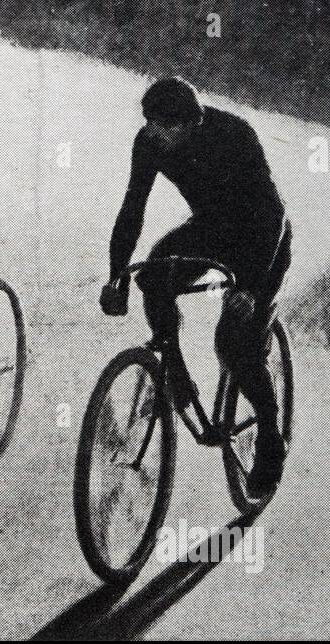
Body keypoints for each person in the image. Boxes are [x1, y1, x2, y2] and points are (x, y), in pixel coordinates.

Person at [101, 76, 293, 496]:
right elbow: (132, 208)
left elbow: (270, 216)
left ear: (192, 124)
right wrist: (117, 274)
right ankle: (177, 378)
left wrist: (252, 288)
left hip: (262, 240)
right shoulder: (149, 142)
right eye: (149, 123)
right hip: (210, 230)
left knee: (235, 345)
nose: (153, 133)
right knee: (152, 277)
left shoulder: (235, 134)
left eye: (164, 127)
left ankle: (270, 435)